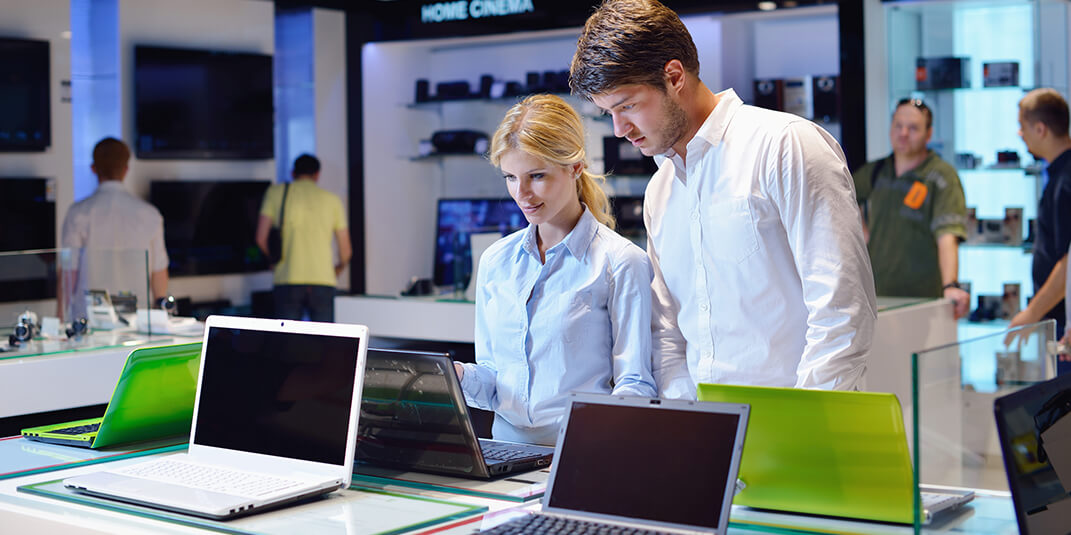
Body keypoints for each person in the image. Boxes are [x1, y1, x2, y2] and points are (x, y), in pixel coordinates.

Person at [570, 0, 876, 398]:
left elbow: (843, 311)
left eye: (627, 106)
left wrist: (803, 423)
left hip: (805, 429)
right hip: (711, 441)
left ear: (674, 76)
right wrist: (691, 423)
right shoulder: (661, 192)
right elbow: (669, 334)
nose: (619, 129)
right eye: (607, 113)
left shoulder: (785, 146)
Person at [454, 94, 657, 445]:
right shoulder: (495, 261)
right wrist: (455, 378)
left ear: (575, 166)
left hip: (584, 451)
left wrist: (598, 448)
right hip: (503, 453)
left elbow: (635, 384)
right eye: (511, 177)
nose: (522, 194)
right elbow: (493, 381)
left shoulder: (621, 261)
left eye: (536, 176)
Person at [852, 99, 969, 318]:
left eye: (913, 128)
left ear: (929, 134)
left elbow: (948, 236)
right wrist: (861, 231)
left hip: (924, 302)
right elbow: (842, 195)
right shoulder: (877, 171)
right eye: (898, 125)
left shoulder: (941, 176)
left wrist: (950, 285)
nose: (903, 133)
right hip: (876, 297)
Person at [61, 137, 169, 318]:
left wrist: (59, 320)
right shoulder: (150, 214)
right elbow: (159, 271)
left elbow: (68, 271)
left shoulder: (78, 213)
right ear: (126, 169)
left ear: (93, 168)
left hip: (89, 318)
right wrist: (163, 316)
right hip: (139, 318)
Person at [1008, 89, 1071, 349]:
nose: (1019, 134)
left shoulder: (1065, 181)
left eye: (1022, 126)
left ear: (1041, 129)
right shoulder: (1059, 175)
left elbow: (1069, 262)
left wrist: (1031, 313)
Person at [255, 154, 350, 322]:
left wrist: (273, 261)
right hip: (323, 279)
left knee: (289, 341)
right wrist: (337, 269)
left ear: (293, 173)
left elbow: (261, 238)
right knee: (324, 340)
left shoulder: (275, 193)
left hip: (287, 277)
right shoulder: (332, 200)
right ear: (317, 174)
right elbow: (346, 251)